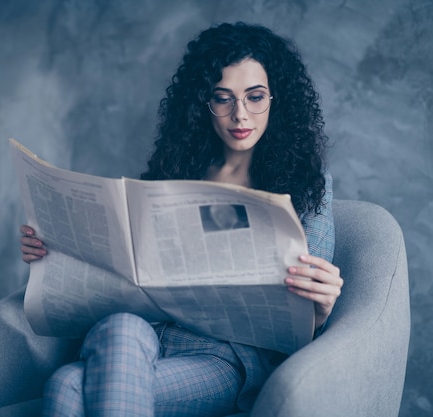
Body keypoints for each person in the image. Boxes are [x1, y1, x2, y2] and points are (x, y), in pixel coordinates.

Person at [19, 22, 343, 417]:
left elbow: (306, 311)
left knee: (66, 385)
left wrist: (321, 309)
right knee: (120, 328)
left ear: (277, 99)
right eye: (222, 99)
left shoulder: (308, 184)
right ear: (202, 104)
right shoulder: (173, 172)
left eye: (254, 97)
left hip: (221, 359)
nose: (240, 114)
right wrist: (54, 248)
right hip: (141, 332)